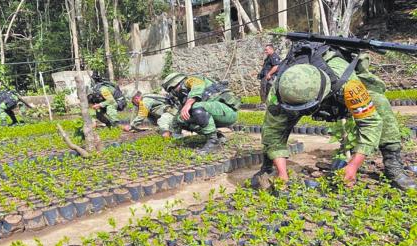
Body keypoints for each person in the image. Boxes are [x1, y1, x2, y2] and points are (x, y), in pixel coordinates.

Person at [255, 41, 416, 191]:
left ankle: (393, 165)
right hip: (294, 99)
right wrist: (283, 174)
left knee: (380, 103)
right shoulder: (280, 90)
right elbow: (273, 131)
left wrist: (353, 165)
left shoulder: (349, 84)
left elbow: (371, 123)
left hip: (335, 91)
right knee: (272, 129)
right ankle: (269, 167)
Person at [161, 72, 241, 153]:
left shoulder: (190, 80)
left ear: (178, 83)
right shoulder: (185, 94)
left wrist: (188, 104)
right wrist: (173, 136)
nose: (173, 93)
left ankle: (214, 142)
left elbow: (198, 84)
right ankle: (217, 136)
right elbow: (177, 120)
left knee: (197, 107)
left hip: (228, 113)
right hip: (212, 114)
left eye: (172, 89)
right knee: (181, 118)